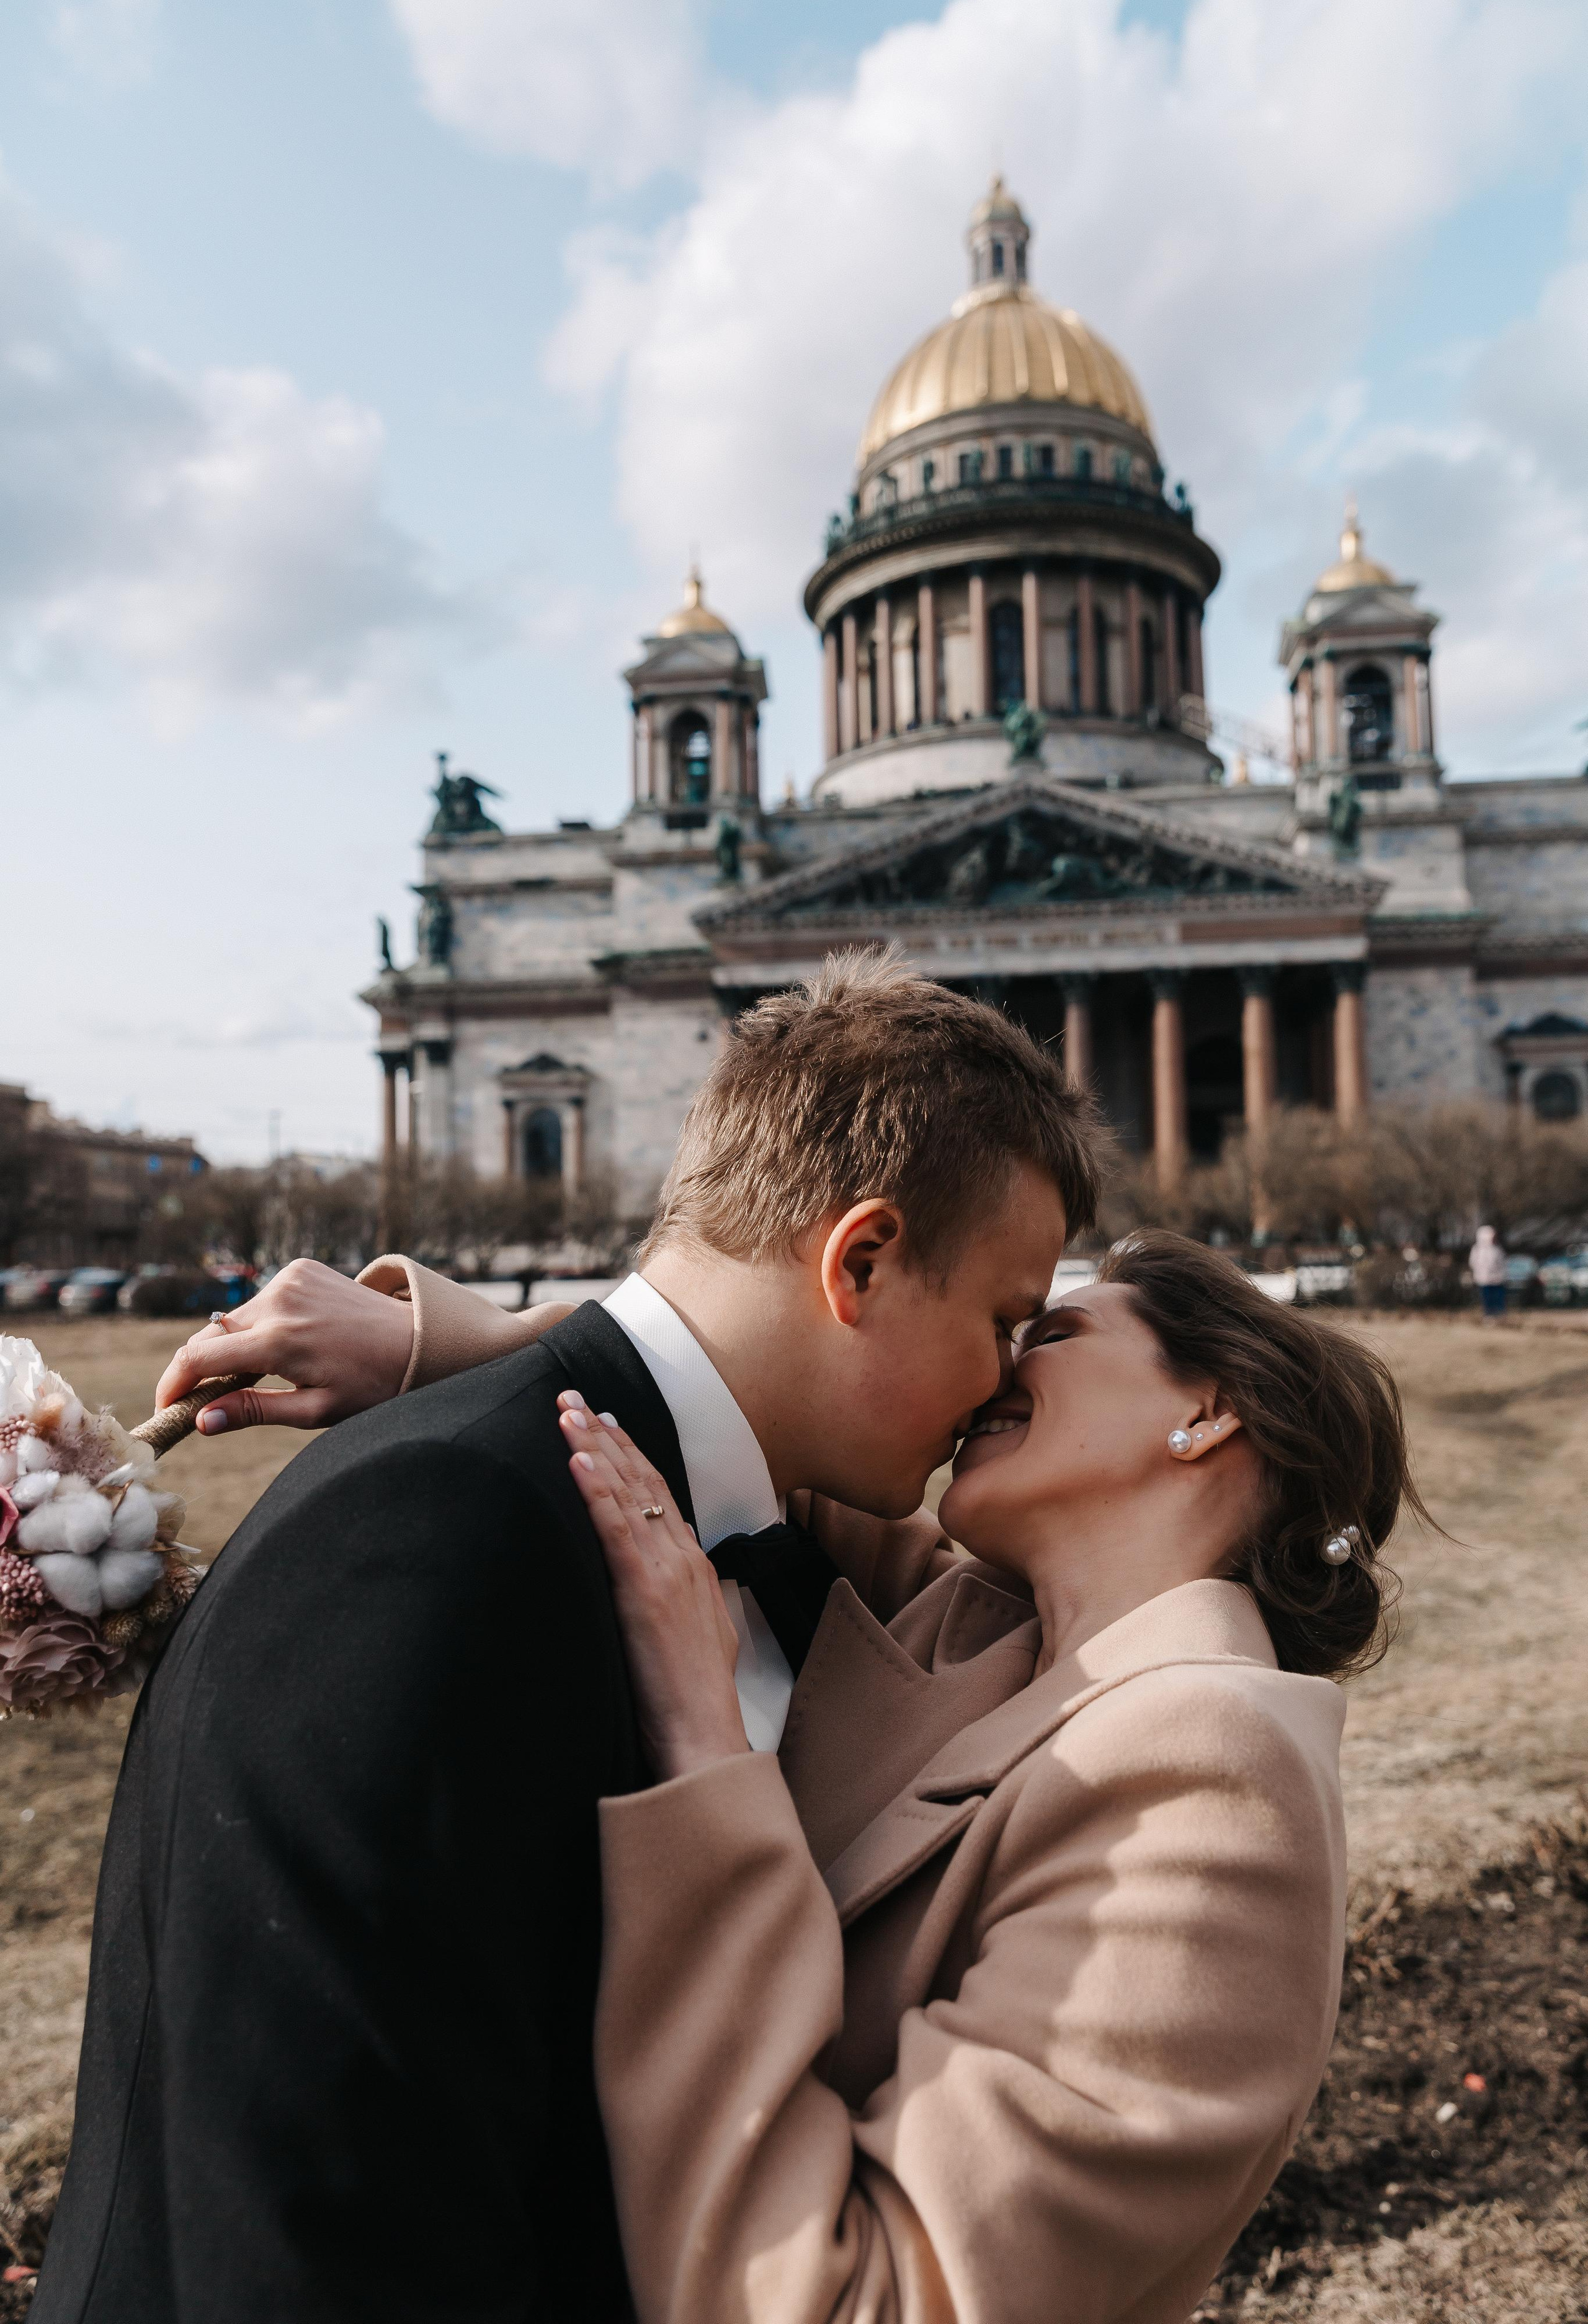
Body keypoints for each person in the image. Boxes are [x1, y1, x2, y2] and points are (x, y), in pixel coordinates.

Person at [33, 955, 1094, 2324]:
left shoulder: (740, 1528)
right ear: (864, 1260)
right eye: (1004, 1323)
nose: (1007, 1384)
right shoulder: (429, 1537)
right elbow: (317, 2212)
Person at [160, 1217, 1422, 2324]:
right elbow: (727, 1398)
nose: (988, 1363)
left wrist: (704, 1750)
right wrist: (438, 1344)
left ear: (1206, 1413)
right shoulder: (971, 1619)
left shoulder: (1215, 1783)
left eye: (1045, 1331)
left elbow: (864, 2300)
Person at [1469, 1222, 1508, 1318]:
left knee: (1498, 1297)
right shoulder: (1477, 1249)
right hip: (1484, 1279)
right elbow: (1473, 1262)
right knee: (1488, 1297)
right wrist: (1481, 1272)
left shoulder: (1497, 1249)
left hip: (1498, 1278)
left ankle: (1500, 1313)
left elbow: (1502, 1262)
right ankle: (1489, 1313)